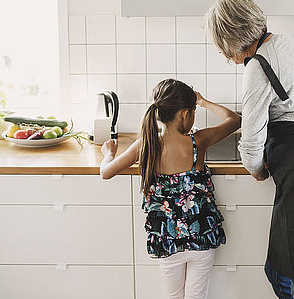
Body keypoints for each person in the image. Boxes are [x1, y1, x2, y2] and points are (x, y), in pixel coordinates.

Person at [204, 0, 294, 299]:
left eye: (220, 46)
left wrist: (255, 169)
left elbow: (251, 139)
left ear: (231, 37)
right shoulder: (286, 45)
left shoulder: (258, 65)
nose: (222, 53)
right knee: (279, 269)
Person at [100, 79, 241, 299]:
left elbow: (106, 172)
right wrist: (203, 101)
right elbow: (235, 120)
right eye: (194, 111)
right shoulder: (198, 142)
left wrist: (108, 153)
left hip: (167, 240)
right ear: (185, 114)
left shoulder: (147, 144)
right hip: (201, 237)